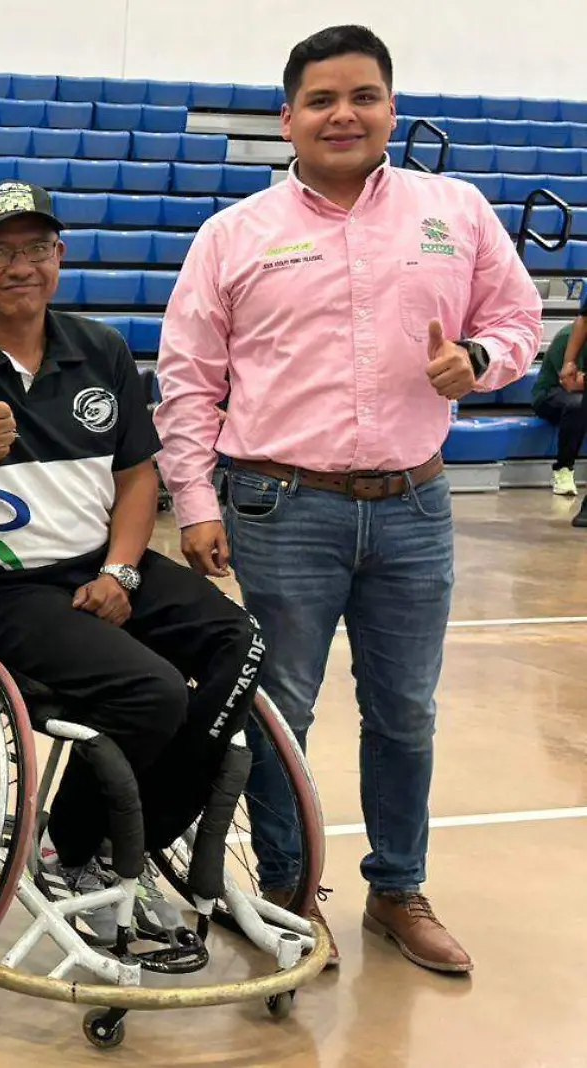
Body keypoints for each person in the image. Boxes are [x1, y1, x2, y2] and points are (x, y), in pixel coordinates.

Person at [155, 25, 543, 975]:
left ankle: (398, 888)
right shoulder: (234, 236)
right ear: (287, 119)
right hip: (280, 507)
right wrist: (196, 501)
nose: (344, 114)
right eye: (322, 100)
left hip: (415, 505)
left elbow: (520, 319)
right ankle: (290, 889)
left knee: (406, 710)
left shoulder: (454, 211)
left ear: (391, 109)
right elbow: (189, 378)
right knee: (282, 710)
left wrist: (481, 361)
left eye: (363, 96)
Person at [0, 180, 268, 943]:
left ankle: (128, 836)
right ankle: (79, 846)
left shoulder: (103, 349)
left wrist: (121, 572)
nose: (20, 265)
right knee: (151, 693)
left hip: (102, 564)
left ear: (59, 257)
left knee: (238, 643)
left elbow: (134, 476)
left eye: (36, 248)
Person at [533, 295, 585, 519]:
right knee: (577, 404)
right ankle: (563, 469)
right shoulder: (567, 338)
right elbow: (571, 383)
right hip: (550, 395)